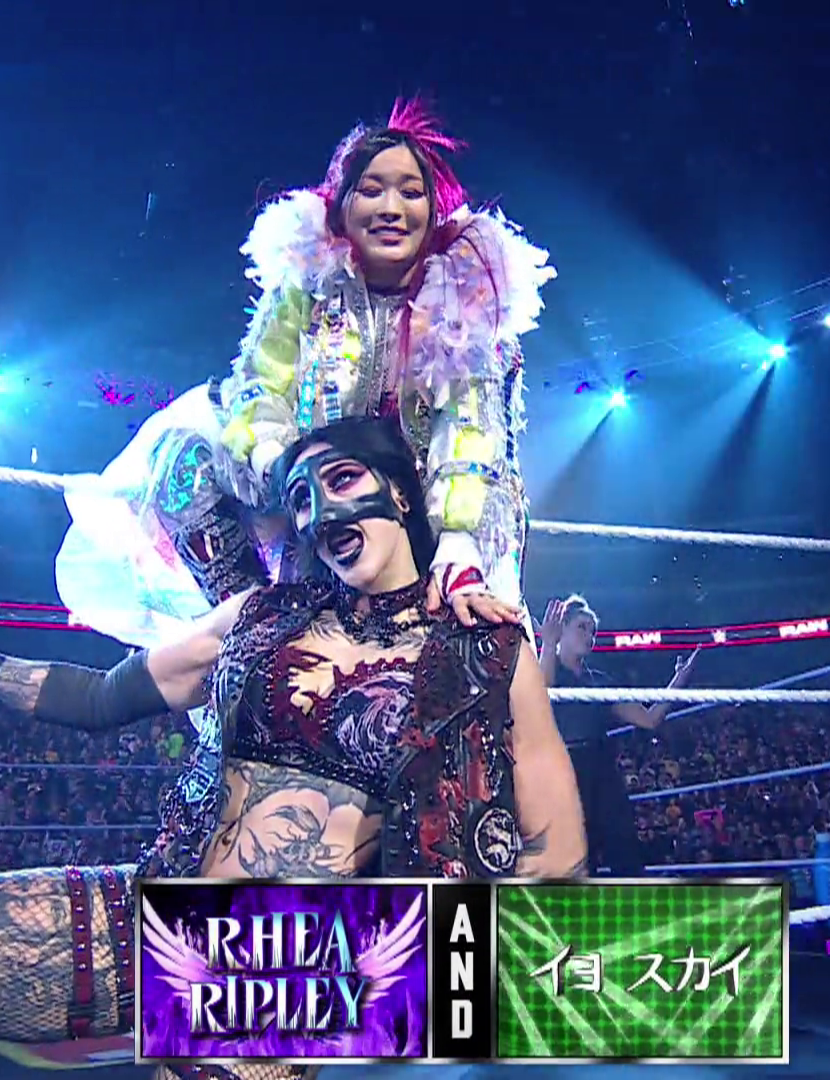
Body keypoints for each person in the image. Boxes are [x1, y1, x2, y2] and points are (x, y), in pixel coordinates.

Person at [0, 418, 587, 1080]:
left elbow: (558, 862)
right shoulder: (261, 614)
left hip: (283, 974)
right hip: (145, 911)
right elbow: (96, 697)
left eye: (341, 479)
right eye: (300, 498)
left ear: (401, 493)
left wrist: (387, 983)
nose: (320, 512)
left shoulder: (487, 650)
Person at [53, 98, 552, 867]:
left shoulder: (467, 293)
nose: (391, 207)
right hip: (317, 499)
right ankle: (253, 633)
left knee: (473, 637)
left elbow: (473, 428)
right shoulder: (308, 288)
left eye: (410, 190)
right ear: (340, 205)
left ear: (436, 205)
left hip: (432, 510)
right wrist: (287, 468)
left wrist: (456, 537)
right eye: (371, 189)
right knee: (185, 457)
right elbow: (259, 387)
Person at [536, 595, 697, 876]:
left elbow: (649, 719)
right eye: (582, 627)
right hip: (564, 772)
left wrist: (678, 680)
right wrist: (548, 645)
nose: (589, 636)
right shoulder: (548, 670)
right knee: (577, 859)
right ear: (562, 629)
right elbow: (539, 697)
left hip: (602, 770)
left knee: (624, 849)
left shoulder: (599, 681)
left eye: (593, 631)